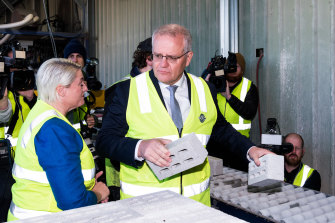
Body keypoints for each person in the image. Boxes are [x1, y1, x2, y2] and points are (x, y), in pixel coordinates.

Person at [96, 24, 272, 206]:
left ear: (188, 58)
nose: (162, 64)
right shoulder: (126, 91)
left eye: (171, 57)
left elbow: (220, 129)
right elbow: (105, 141)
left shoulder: (204, 89)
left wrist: (250, 149)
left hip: (196, 206)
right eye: (157, 56)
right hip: (146, 207)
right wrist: (140, 147)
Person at [7, 58, 109, 221]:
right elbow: (73, 203)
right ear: (61, 90)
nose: (86, 88)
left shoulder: (41, 111)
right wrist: (98, 193)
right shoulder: (54, 129)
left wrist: (87, 186)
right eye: (80, 84)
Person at [104, 37, 153, 201]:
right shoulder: (121, 88)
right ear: (149, 59)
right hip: (121, 175)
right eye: (162, 57)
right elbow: (109, 138)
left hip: (151, 174)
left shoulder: (156, 87)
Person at [0, 44, 37, 222]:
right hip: (2, 163)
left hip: (23, 161)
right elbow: (3, 114)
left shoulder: (26, 91)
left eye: (20, 67)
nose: (17, 71)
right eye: (12, 66)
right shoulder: (3, 92)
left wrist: (31, 97)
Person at [204, 53, 259, 172]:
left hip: (238, 146)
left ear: (242, 69)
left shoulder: (249, 87)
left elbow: (249, 113)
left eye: (236, 66)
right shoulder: (214, 84)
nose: (232, 69)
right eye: (229, 66)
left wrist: (229, 97)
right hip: (214, 146)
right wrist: (206, 83)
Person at [63, 39, 96, 129]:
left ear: (84, 61)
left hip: (78, 135)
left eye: (79, 56)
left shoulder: (85, 82)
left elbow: (83, 111)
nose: (75, 60)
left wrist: (88, 120)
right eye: (71, 56)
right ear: (66, 60)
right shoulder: (59, 81)